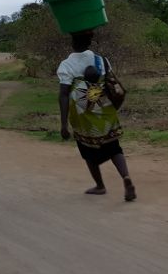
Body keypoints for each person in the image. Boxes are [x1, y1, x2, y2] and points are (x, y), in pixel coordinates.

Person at [58, 30, 136, 202]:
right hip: (104, 111)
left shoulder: (66, 65)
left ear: (72, 43)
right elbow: (111, 83)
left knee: (87, 150)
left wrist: (64, 124)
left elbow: (63, 94)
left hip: (82, 115)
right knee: (114, 147)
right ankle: (126, 178)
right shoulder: (102, 60)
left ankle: (100, 186)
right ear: (89, 43)